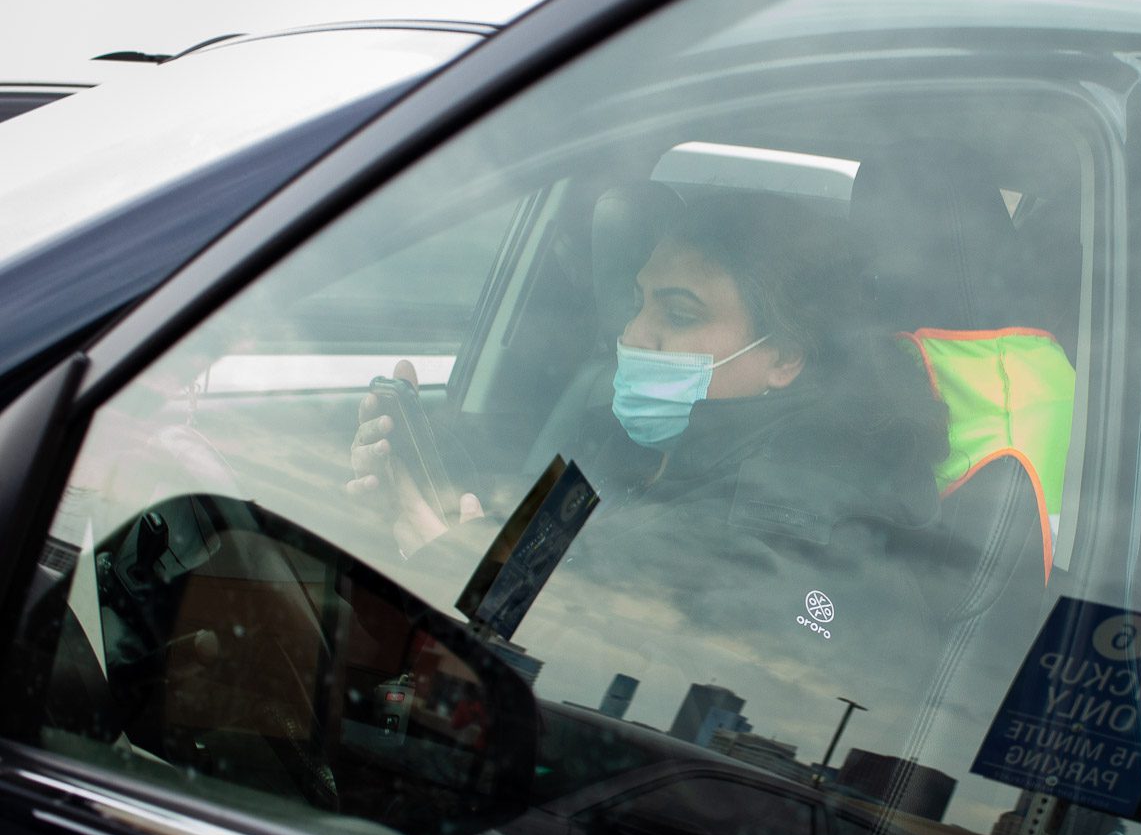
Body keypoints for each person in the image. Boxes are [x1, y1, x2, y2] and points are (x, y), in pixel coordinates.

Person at [347, 190, 951, 732]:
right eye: (639, 303)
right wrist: (427, 506)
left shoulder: (809, 517)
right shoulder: (622, 439)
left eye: (679, 314)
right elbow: (548, 565)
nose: (635, 332)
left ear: (785, 359)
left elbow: (645, 673)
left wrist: (455, 568)